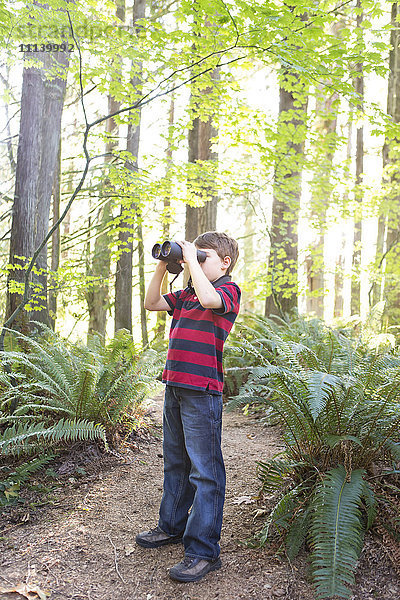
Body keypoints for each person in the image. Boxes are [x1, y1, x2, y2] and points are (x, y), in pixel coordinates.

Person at [135, 231, 241, 583]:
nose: (195, 262)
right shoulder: (187, 296)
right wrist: (165, 266)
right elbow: (151, 302)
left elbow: (211, 299)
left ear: (224, 263)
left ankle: (203, 552)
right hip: (176, 387)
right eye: (195, 257)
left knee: (205, 472)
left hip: (203, 392)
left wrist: (190, 257)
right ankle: (171, 526)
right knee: (176, 462)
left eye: (204, 257)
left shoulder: (226, 291)